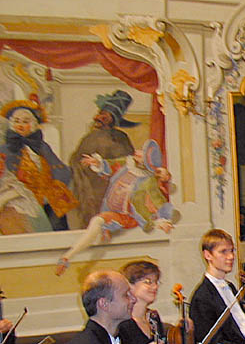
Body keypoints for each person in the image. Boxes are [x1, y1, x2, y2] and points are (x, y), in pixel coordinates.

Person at [55, 139, 180, 275]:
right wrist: (98, 163)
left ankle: (67, 257)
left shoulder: (148, 181)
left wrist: (162, 220)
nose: (137, 152)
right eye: (140, 151)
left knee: (97, 221)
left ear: (145, 162)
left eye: (141, 153)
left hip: (126, 216)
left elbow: (157, 200)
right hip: (109, 209)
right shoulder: (128, 164)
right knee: (97, 222)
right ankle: (69, 255)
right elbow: (112, 164)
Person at [0, 97, 78, 231]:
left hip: (48, 196)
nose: (20, 125)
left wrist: (57, 184)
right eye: (17, 121)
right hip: (20, 198)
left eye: (25, 122)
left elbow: (59, 168)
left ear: (34, 124)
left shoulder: (42, 147)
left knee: (57, 227)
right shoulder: (4, 149)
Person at [68, 90, 138, 229]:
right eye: (100, 114)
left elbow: (129, 161)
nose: (98, 118)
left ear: (113, 118)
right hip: (93, 187)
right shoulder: (90, 138)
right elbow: (77, 161)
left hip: (118, 186)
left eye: (104, 116)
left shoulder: (121, 137)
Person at [190, 229, 245, 344]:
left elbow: (243, 330)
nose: (231, 256)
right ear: (207, 255)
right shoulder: (202, 297)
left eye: (232, 250)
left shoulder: (230, 287)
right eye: (223, 252)